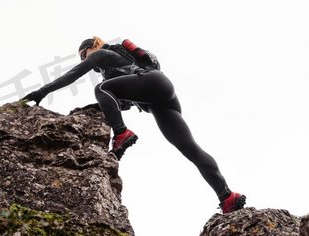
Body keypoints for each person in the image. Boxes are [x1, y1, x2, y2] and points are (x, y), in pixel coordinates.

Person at [21, 36, 246, 214]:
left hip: (153, 83)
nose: (84, 59)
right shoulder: (117, 68)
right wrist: (88, 110)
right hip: (161, 98)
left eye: (84, 54)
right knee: (189, 148)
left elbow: (74, 74)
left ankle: (122, 134)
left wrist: (43, 91)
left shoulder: (103, 53)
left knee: (102, 89)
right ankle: (227, 197)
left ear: (94, 45)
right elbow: (121, 105)